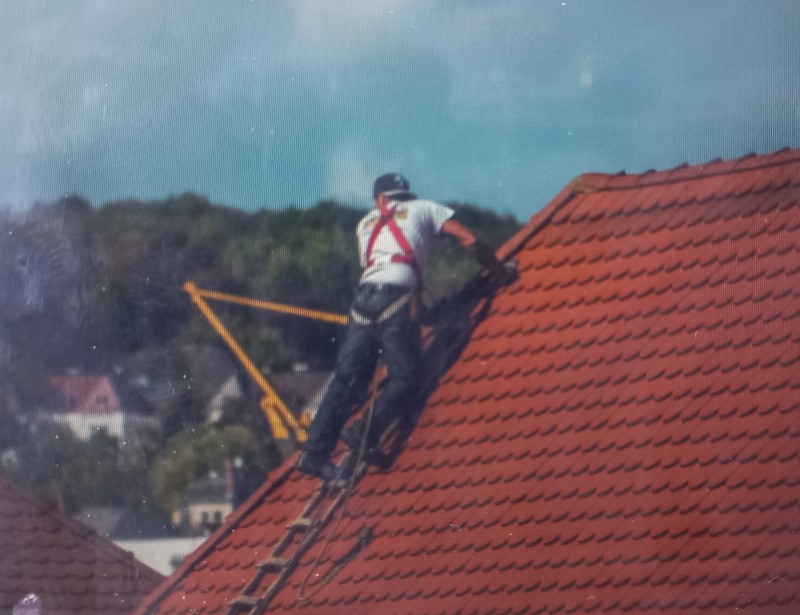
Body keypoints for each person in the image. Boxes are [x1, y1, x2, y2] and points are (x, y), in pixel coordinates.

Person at [296, 173, 503, 480]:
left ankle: (314, 455)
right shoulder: (423, 208)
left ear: (380, 199)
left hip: (363, 303)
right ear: (406, 196)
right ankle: (364, 432)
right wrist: (496, 269)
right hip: (395, 300)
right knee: (407, 376)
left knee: (346, 381)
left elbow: (382, 267)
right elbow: (468, 239)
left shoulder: (364, 224)